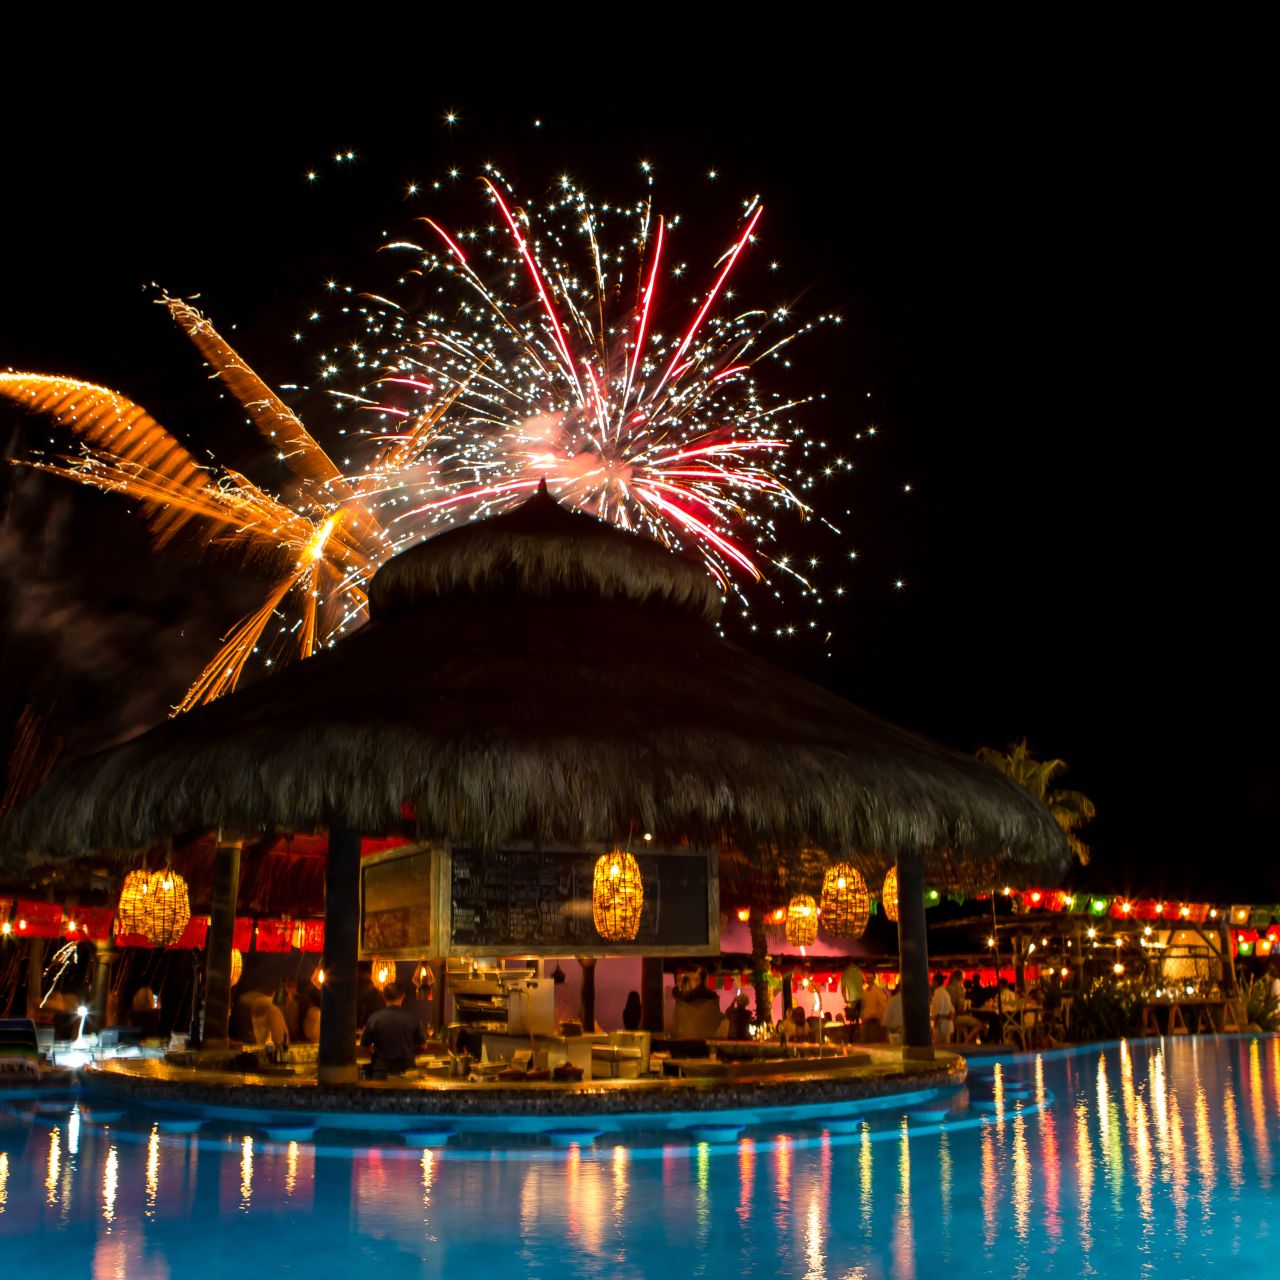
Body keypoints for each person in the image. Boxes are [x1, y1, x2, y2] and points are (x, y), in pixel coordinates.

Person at [361, 981, 426, 1076]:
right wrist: (411, 1055)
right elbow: (423, 1046)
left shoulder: (374, 1018)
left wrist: (376, 1055)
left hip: (381, 1071)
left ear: (384, 996)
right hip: (407, 1071)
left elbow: (365, 1046)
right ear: (403, 996)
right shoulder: (413, 1019)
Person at [949, 970, 983, 1044]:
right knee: (979, 1024)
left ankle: (965, 1041)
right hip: (955, 1017)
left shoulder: (947, 988)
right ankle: (966, 1042)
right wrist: (967, 1013)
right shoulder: (960, 989)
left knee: (967, 1023)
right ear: (961, 978)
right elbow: (960, 1009)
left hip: (948, 1018)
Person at [861, 976, 889, 1043]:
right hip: (868, 1020)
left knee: (872, 1042)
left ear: (874, 979)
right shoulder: (865, 992)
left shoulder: (877, 990)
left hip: (874, 1020)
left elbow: (883, 1005)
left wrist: (881, 1018)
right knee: (869, 1043)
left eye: (871, 978)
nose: (869, 980)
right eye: (868, 978)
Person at [930, 972, 954, 1044]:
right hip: (946, 1023)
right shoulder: (944, 992)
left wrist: (935, 1024)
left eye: (933, 981)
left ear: (936, 982)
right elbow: (952, 1009)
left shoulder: (939, 993)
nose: (932, 983)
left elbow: (938, 1010)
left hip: (941, 1024)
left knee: (939, 1048)